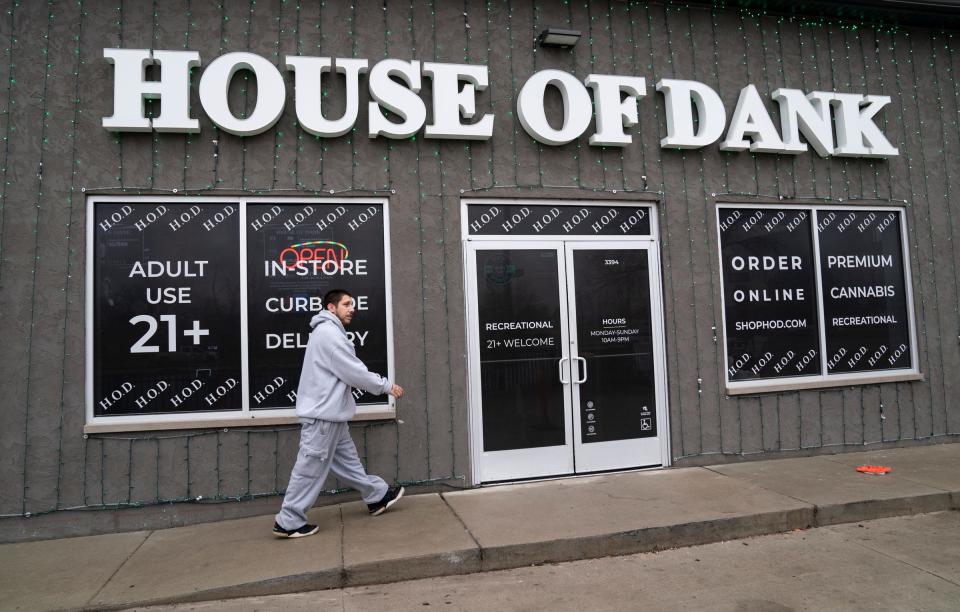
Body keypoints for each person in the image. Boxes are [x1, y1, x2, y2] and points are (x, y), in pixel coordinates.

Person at [273, 288, 405, 538]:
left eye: (352, 304)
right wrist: (386, 386)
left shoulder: (328, 332)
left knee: (348, 463)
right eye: (346, 304)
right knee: (309, 467)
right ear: (331, 308)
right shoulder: (329, 335)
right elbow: (353, 371)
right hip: (324, 416)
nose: (352, 308)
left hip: (332, 415)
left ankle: (376, 496)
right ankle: (289, 520)